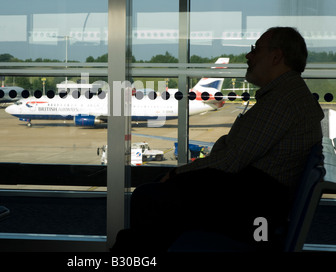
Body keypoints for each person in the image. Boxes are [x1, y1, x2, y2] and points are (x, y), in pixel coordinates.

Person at [112, 27, 324, 252]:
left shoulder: (282, 102)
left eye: (256, 49)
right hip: (256, 202)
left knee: (149, 198)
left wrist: (176, 173)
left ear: (276, 56)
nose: (249, 56)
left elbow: (230, 160)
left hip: (253, 212)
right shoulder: (290, 95)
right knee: (157, 206)